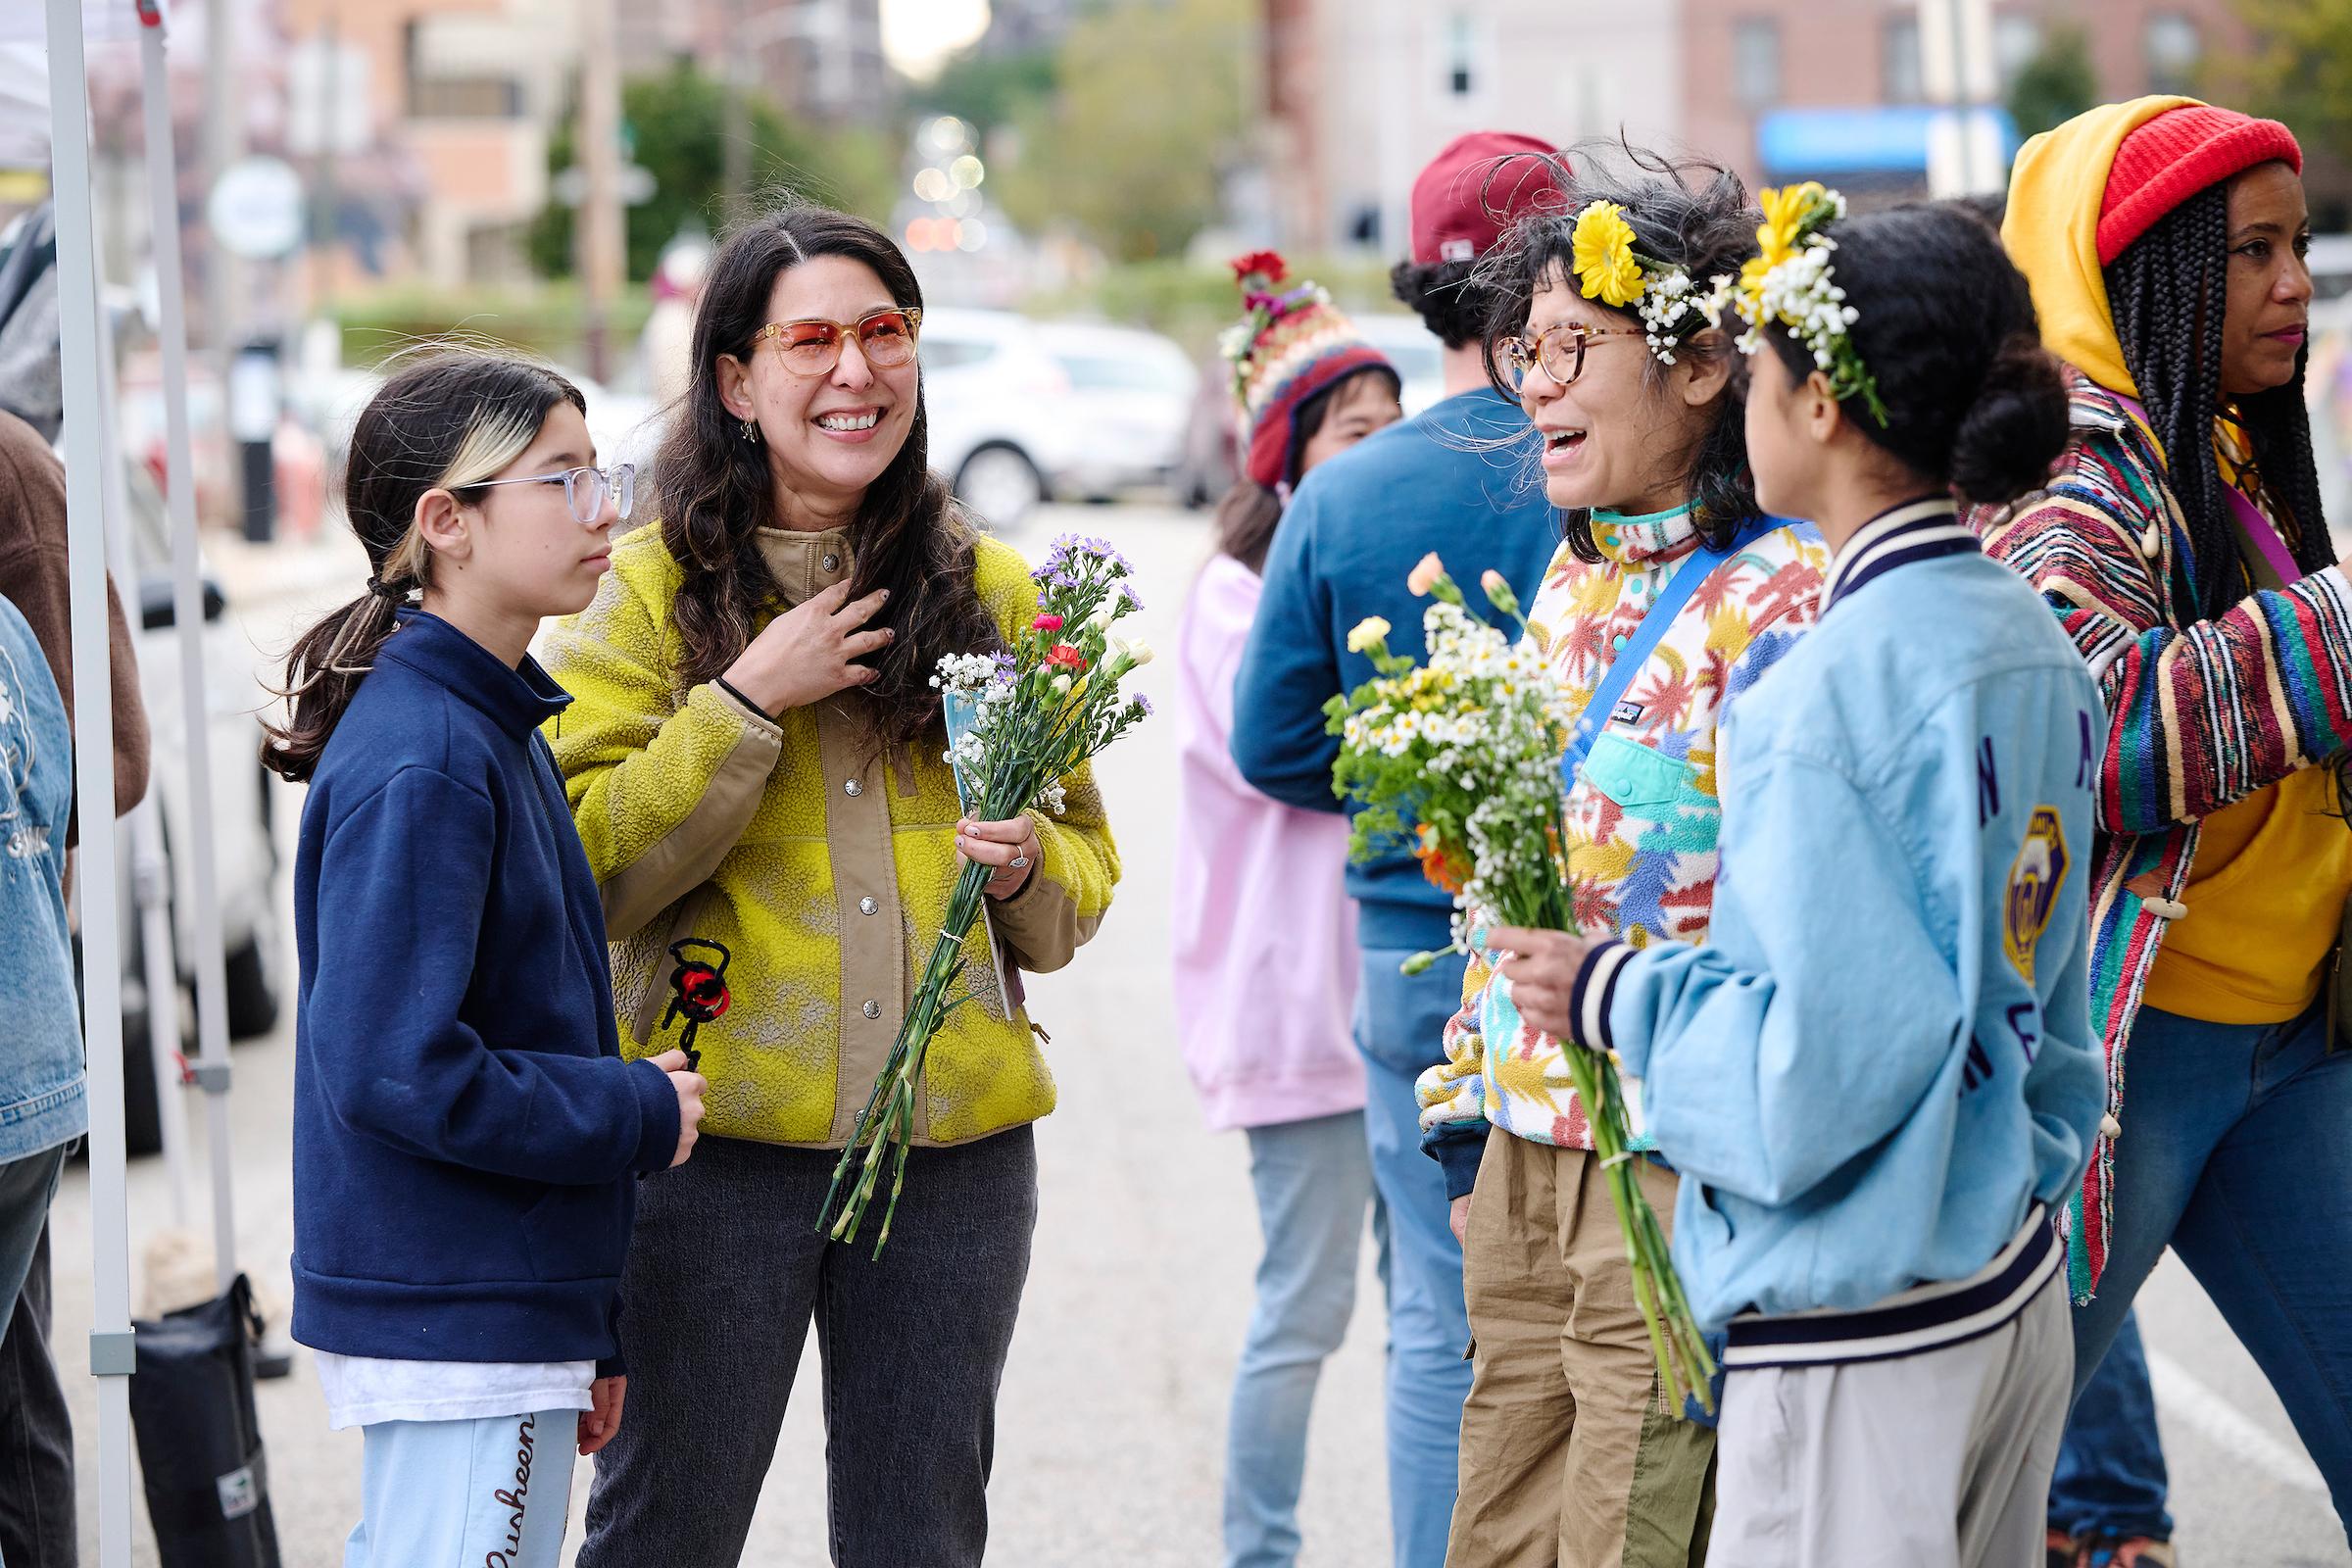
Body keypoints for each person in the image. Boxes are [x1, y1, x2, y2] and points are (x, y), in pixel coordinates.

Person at [1493, 195, 2105, 1566]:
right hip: (2006, 1268)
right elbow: (2049, 1012)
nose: (1742, 397)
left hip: (1864, 1313)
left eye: (1756, 367)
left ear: (1819, 401)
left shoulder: (1823, 685)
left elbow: (1809, 1073)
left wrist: (1611, 994)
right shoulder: (2031, 640)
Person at [545, 206, 1120, 1568]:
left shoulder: (992, 585)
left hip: (954, 1164)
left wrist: (1036, 863)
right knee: (662, 1533)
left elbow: (1085, 865)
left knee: (922, 1537)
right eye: (812, 339)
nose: (856, 371)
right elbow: (581, 866)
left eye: (887, 335)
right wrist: (745, 701)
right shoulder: (640, 595)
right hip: (711, 1160)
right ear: (737, 381)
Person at [1411, 150, 1830, 1567]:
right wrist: (1468, 1112)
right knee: (1497, 1529)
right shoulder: (1578, 568)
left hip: (1669, 1156)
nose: (1533, 384)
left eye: (1572, 347)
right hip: (1524, 1145)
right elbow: (1513, 869)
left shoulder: (1785, 595)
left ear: (1705, 361)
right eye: (1522, 350)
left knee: (1629, 1537)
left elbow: (1805, 927)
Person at [266, 351, 707, 1568]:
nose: (604, 508)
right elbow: (395, 1067)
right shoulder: (432, 752)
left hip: (488, 1298)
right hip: (457, 1308)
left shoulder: (479, 719)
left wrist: (587, 1323)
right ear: (445, 524)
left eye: (599, 472)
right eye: (562, 480)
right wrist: (633, 1107)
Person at [1988, 98, 2352, 1561]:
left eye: (2300, 241)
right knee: (1978, 1474)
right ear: (2148, 277)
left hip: (2288, 1048)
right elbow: (2100, 729)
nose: (2289, 283)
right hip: (2138, 1059)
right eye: (2249, 250)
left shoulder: (2228, 444)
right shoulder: (2070, 472)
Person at [1229, 130, 1562, 1568]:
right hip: (1608, 942)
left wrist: (1402, 799)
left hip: (1408, 941)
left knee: (1439, 1320)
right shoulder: (1611, 461)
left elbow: (1267, 744)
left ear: (1424, 286)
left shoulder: (1347, 494)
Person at [1174, 254, 1400, 1568]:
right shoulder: (1232, 597)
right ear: (1288, 457)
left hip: (1388, 990)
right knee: (1303, 1311)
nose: (1379, 457)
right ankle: (1261, 1551)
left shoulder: (1358, 575)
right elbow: (1297, 753)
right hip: (1297, 1001)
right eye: (1353, 433)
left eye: (1389, 428)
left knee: (1432, 1310)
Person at [0, 403, 150, 1568]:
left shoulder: (10, 466)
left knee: (17, 1394)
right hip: (24, 1033)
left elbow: (98, 759)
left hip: (17, 1020)